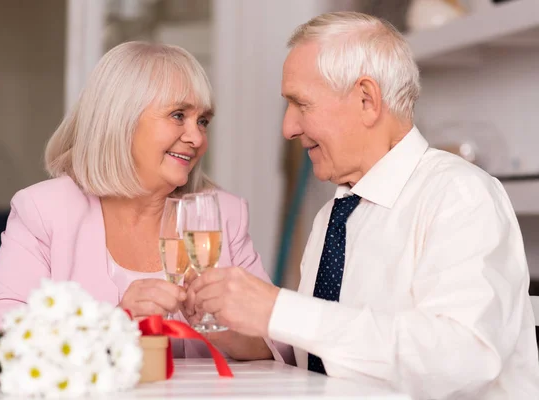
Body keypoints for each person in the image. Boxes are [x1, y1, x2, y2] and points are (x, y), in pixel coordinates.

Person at [187, 12, 539, 399]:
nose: (288, 127)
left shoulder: (460, 196)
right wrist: (243, 333)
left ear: (367, 101)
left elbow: (462, 359)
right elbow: (330, 359)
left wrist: (279, 309)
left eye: (300, 104)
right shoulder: (334, 215)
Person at [0, 41, 291, 363]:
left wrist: (223, 331)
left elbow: (282, 345)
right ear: (120, 119)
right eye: (179, 116)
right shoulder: (45, 211)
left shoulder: (222, 214)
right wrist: (116, 320)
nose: (197, 138)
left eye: (202, 121)